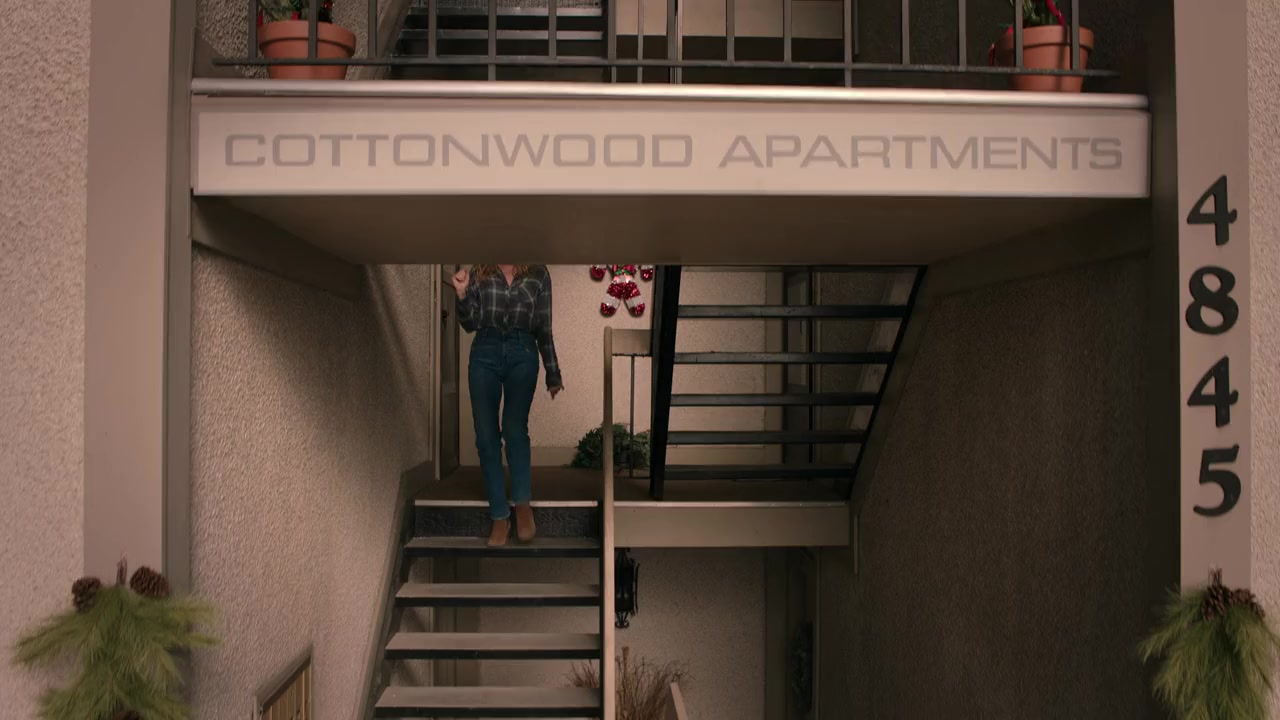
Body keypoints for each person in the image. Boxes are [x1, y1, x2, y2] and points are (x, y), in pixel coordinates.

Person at [448, 264, 564, 547]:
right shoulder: (480, 271)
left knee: (514, 428)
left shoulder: (538, 273)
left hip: (523, 351)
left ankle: (522, 505)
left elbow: (543, 326)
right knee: (486, 436)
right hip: (484, 351)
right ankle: (500, 516)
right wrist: (462, 294)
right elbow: (470, 323)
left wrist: (552, 372)